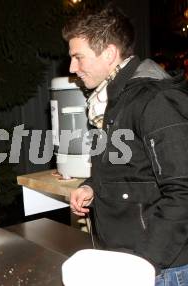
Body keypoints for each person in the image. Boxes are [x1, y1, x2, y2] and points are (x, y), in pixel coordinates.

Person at [63, 5, 188, 284]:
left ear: (108, 53)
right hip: (126, 259)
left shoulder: (156, 101)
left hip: (159, 269)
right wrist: (91, 186)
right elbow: (129, 169)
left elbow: (183, 192)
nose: (72, 68)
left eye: (78, 57)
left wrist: (144, 262)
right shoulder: (111, 101)